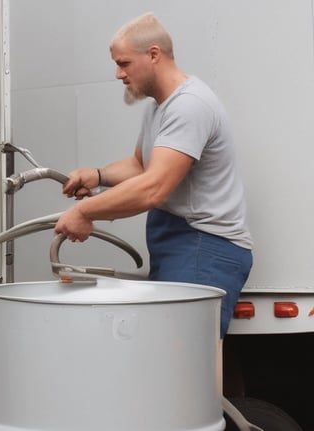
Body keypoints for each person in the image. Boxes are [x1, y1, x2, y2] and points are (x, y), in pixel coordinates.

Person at [54, 12, 253, 341]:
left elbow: (154, 188)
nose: (119, 74)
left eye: (124, 63)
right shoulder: (160, 105)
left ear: (154, 55)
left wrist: (84, 211)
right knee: (189, 356)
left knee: (181, 358)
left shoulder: (189, 105)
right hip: (181, 243)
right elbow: (141, 164)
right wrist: (98, 174)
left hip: (204, 244)